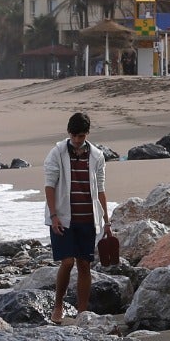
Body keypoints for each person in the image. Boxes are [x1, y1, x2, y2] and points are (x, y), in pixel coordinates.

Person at [43, 111, 110, 324]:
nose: (77, 140)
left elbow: (100, 189)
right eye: (74, 136)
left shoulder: (97, 156)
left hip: (88, 218)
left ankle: (82, 313)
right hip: (63, 218)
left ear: (87, 134)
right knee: (67, 261)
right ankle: (58, 305)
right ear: (69, 133)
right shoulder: (57, 153)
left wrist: (106, 221)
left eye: (81, 136)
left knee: (84, 264)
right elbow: (49, 185)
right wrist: (53, 216)